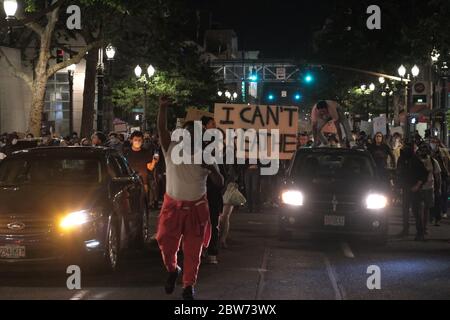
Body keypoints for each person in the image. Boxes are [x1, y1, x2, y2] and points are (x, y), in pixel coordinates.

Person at [156, 97, 224, 300]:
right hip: (172, 207)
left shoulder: (206, 156)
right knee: (166, 244)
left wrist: (211, 168)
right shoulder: (171, 148)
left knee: (193, 252)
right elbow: (161, 129)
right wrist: (162, 108)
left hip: (197, 208)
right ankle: (172, 269)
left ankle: (188, 286)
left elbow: (219, 182)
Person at [397, 143, 429, 240]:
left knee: (416, 211)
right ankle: (405, 230)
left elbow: (424, 174)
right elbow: (399, 173)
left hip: (414, 189)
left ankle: (420, 232)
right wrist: (399, 186)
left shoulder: (415, 160)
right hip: (405, 188)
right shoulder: (402, 159)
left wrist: (418, 185)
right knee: (405, 210)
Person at [416, 143, 441, 240]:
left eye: (425, 149)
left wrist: (438, 189)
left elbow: (438, 176)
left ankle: (424, 228)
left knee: (426, 209)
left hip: (429, 187)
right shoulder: (417, 161)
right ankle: (420, 229)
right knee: (419, 209)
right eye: (422, 149)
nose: (423, 151)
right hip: (419, 188)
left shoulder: (433, 162)